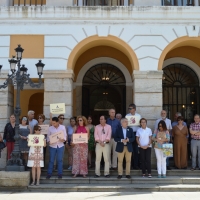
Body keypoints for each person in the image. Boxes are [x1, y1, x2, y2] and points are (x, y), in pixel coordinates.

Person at [125, 103, 141, 169]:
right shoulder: (127, 116)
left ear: (134, 109)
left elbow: (140, 125)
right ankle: (129, 165)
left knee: (136, 150)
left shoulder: (138, 116)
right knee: (129, 150)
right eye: (129, 108)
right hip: (129, 134)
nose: (129, 110)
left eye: (130, 108)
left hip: (136, 134)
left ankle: (136, 165)